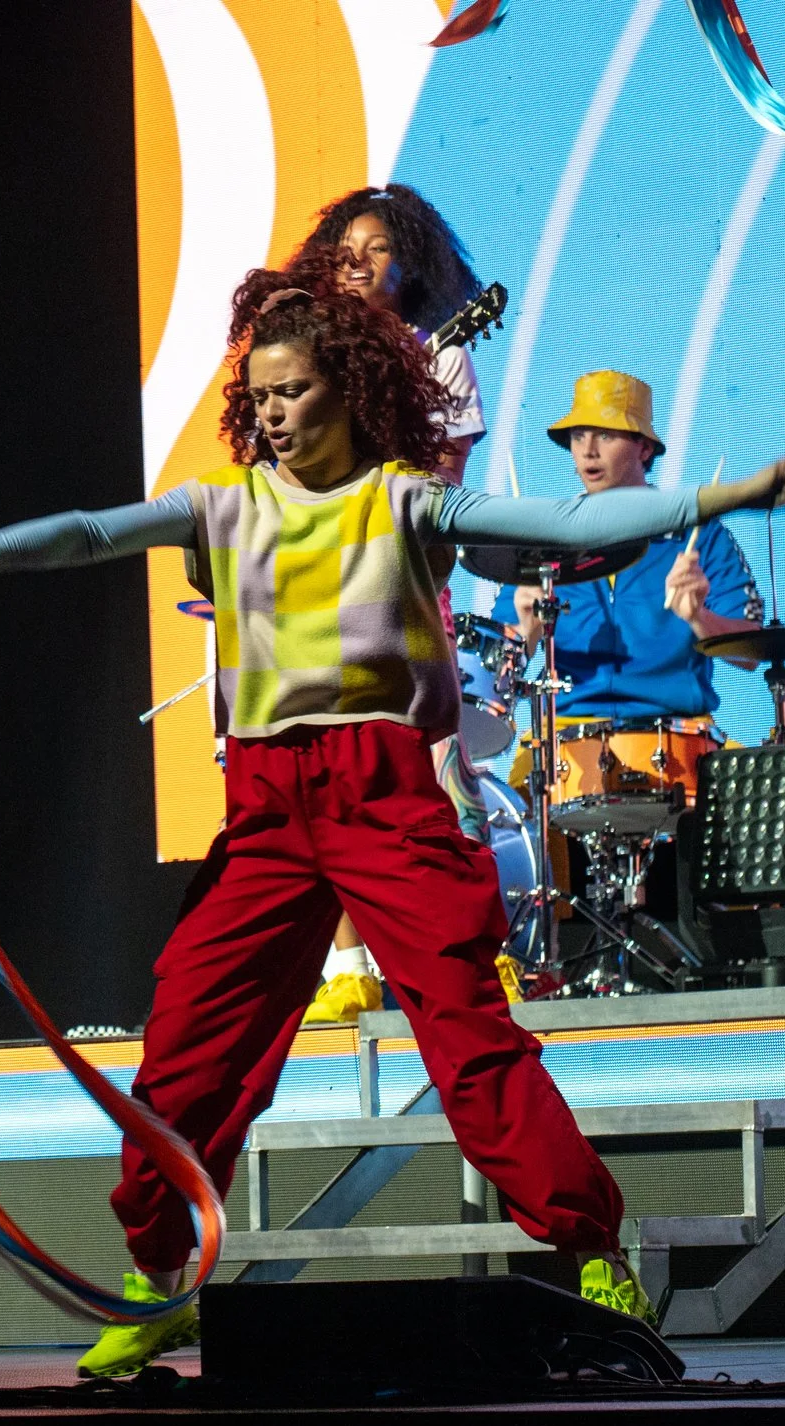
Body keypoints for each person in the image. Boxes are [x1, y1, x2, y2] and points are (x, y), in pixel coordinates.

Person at [0, 267, 785, 1377]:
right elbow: (96, 530)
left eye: (294, 391)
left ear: (351, 390)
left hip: (386, 799)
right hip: (268, 805)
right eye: (262, 395)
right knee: (186, 1049)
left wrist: (721, 498)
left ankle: (589, 1247)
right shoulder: (222, 506)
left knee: (470, 1038)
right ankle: (159, 1270)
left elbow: (571, 517)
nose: (274, 412)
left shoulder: (406, 500)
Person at [290, 184, 493, 1024]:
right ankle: (347, 968)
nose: (361, 262)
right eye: (348, 248)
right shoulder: (301, 353)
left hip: (401, 587)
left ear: (410, 264)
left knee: (442, 770)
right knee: (327, 778)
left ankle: (482, 953)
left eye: (378, 248)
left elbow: (443, 488)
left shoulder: (440, 354)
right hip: (315, 595)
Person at [493, 369, 762, 713]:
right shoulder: (543, 540)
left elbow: (751, 654)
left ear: (644, 448)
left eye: (605, 435)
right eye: (578, 436)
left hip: (679, 743)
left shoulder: (700, 535)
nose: (588, 451)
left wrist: (700, 617)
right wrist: (526, 632)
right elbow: (497, 674)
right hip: (564, 747)